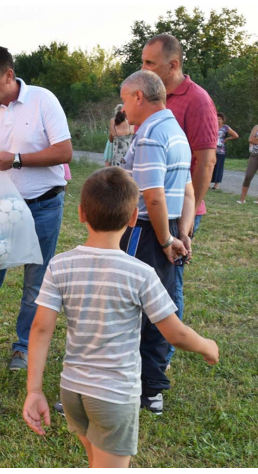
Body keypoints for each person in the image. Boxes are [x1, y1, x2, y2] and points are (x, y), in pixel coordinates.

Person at [23, 167, 219, 468]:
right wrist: (208, 346)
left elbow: (39, 329)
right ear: (131, 219)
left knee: (95, 461)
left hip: (73, 392)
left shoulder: (59, 266)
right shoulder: (141, 274)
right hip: (113, 397)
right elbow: (175, 334)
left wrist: (35, 390)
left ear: (81, 213)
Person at [0, 46, 73, 370]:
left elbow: (65, 151)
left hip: (43, 205)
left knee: (35, 282)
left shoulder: (43, 100)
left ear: (9, 75)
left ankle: (22, 348)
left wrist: (16, 159)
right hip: (1, 209)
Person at [118, 70, 195, 415]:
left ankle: (130, 387)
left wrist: (165, 240)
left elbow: (153, 197)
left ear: (138, 97)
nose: (122, 108)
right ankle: (152, 389)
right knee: (159, 306)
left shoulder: (149, 133)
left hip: (146, 232)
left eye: (124, 99)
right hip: (169, 228)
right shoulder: (174, 129)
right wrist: (183, 233)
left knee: (130, 308)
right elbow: (189, 190)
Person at [141, 34, 217, 368]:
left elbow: (205, 160)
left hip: (178, 210)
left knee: (170, 284)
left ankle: (164, 355)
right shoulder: (150, 96)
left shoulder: (197, 100)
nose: (143, 68)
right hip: (151, 209)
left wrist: (188, 218)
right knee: (149, 279)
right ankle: (147, 347)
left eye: (149, 63)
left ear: (173, 65)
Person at [211, 112, 238, 190]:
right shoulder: (212, 126)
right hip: (211, 149)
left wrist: (226, 139)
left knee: (219, 167)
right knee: (210, 166)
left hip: (220, 150)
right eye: (216, 118)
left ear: (222, 120)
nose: (218, 120)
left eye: (220, 119)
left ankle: (216, 185)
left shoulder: (225, 127)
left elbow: (236, 135)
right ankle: (207, 183)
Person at [238, 124, 258, 204]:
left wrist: (255, 139)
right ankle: (242, 199)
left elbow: (254, 140)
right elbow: (250, 140)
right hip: (254, 155)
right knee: (248, 176)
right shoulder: (256, 127)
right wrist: (254, 140)